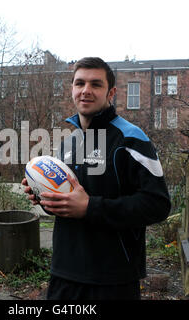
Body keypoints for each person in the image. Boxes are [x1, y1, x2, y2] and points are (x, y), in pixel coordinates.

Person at [22, 57, 171, 300]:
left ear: (110, 92)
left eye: (96, 84)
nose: (86, 91)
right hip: (64, 274)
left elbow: (158, 205)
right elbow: (67, 206)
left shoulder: (132, 139)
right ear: (72, 89)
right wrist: (45, 199)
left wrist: (90, 207)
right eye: (79, 83)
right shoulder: (67, 144)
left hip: (113, 279)